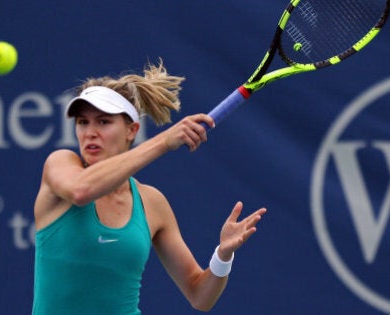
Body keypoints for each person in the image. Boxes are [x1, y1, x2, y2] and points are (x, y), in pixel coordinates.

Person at [32, 60, 267, 314]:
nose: (90, 132)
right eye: (82, 122)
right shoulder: (61, 165)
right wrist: (164, 141)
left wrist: (223, 255)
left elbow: (200, 295)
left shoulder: (151, 202)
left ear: (132, 130)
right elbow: (81, 191)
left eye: (103, 122)